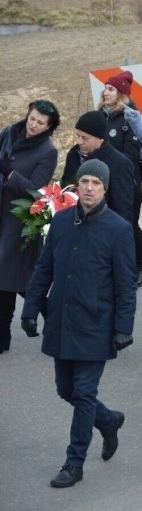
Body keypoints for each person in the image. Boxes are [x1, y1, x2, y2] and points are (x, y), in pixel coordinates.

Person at [21, 159, 136, 488]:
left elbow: (125, 283)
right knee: (66, 390)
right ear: (77, 185)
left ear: (104, 189)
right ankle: (108, 420)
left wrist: (123, 325)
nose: (88, 187)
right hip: (62, 319)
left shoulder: (118, 229)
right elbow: (44, 269)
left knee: (84, 393)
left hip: (96, 323)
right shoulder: (60, 223)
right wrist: (30, 308)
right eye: (84, 181)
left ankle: (74, 463)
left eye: (96, 183)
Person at [0, 99, 59, 353]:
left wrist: (10, 174)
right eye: (32, 118)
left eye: (41, 123)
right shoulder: (9, 132)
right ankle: (50, 316)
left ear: (48, 127)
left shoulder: (48, 151)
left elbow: (36, 190)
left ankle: (5, 336)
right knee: (12, 280)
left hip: (19, 220)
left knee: (10, 280)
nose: (34, 125)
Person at [96, 70, 142, 285]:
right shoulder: (100, 116)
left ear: (121, 95)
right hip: (102, 181)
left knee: (129, 224)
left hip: (128, 182)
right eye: (106, 88)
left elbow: (131, 156)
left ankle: (140, 268)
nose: (106, 93)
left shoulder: (130, 117)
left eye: (111, 89)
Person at [61, 112, 136, 245]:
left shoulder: (119, 163)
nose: (79, 142)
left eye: (85, 138)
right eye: (78, 136)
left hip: (103, 234)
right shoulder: (73, 154)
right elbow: (65, 186)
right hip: (73, 229)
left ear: (100, 139)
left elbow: (123, 209)